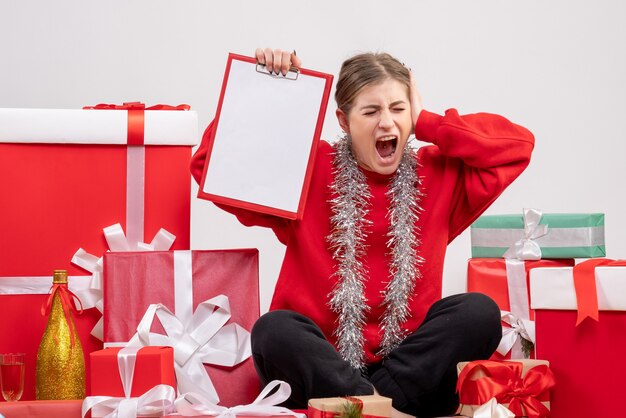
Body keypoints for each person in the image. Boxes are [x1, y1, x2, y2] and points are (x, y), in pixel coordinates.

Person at [191, 48, 535, 417]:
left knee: (478, 312)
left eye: (398, 110)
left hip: (410, 372)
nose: (387, 123)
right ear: (344, 120)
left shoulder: (439, 173)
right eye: (371, 112)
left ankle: (368, 409)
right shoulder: (307, 169)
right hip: (322, 373)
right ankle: (381, 408)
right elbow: (210, 166)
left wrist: (427, 122)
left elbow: (516, 147)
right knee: (273, 330)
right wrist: (265, 89)